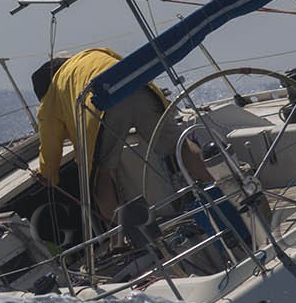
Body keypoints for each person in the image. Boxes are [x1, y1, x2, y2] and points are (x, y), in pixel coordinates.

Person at [32, 48, 210, 223]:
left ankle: (125, 234)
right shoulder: (94, 53)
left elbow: (50, 143)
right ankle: (214, 184)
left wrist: (48, 174)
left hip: (101, 105)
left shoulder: (51, 96)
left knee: (100, 175)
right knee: (178, 144)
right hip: (136, 87)